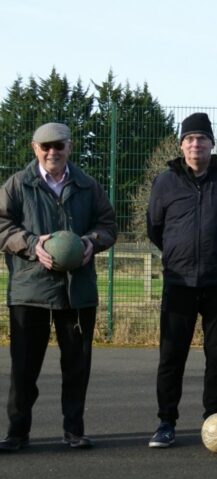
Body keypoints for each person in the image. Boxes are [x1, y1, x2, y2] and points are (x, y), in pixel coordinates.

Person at [0, 122, 117, 451]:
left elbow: (107, 225)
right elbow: (1, 224)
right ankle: (17, 433)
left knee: (77, 366)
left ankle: (74, 431)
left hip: (77, 291)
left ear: (70, 146)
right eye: (46, 146)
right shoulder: (18, 184)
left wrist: (91, 243)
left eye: (59, 146)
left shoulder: (86, 185)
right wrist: (32, 244)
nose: (53, 152)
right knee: (24, 368)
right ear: (34, 148)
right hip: (29, 290)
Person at [146, 112, 217, 448]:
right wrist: (177, 253)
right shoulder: (165, 182)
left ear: (212, 144)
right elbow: (155, 227)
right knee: (171, 355)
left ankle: (214, 420)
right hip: (179, 282)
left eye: (202, 138)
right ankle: (166, 422)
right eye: (190, 139)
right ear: (181, 145)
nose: (196, 144)